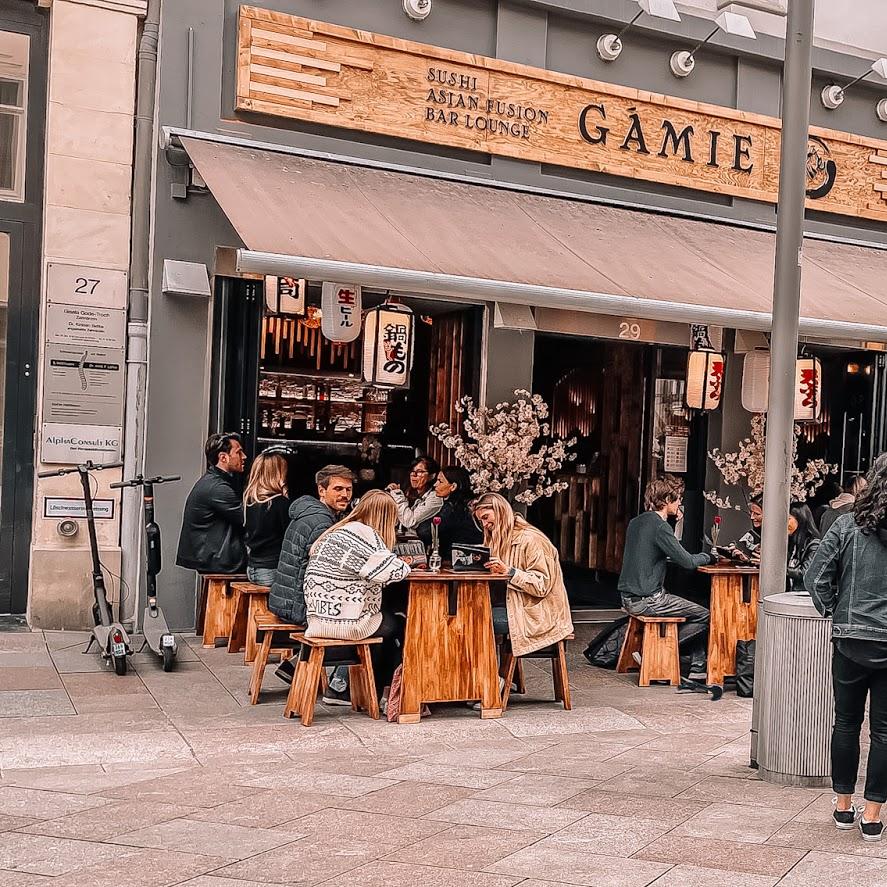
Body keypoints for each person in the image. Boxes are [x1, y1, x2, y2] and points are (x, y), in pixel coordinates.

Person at [805, 454, 887, 843]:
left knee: (846, 723)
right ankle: (872, 816)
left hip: (851, 638)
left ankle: (842, 807)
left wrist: (835, 611)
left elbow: (815, 577)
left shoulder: (846, 524)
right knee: (884, 731)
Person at [303, 490, 411, 699]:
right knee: (402, 626)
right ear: (386, 517)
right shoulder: (365, 535)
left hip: (318, 620)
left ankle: (353, 690)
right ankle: (392, 695)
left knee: (387, 626)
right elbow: (393, 572)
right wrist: (408, 562)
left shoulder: (341, 531)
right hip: (346, 624)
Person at [270, 465, 354, 701]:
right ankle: (340, 687)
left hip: (286, 597)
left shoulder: (309, 512)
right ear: (321, 490)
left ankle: (295, 664)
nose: (345, 495)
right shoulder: (322, 523)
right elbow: (325, 574)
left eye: (348, 489)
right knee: (357, 620)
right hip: (298, 604)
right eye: (338, 489)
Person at [617, 477, 714, 682]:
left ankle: (698, 666)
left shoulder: (636, 522)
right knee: (704, 615)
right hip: (648, 600)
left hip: (628, 598)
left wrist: (674, 523)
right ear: (668, 499)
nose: (680, 503)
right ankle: (653, 651)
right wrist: (709, 556)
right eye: (678, 499)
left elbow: (659, 546)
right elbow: (687, 561)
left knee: (687, 606)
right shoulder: (660, 528)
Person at [472, 493, 573, 657]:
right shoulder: (500, 538)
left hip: (537, 614)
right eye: (480, 521)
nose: (484, 524)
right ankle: (483, 671)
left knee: (475, 620)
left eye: (485, 517)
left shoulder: (532, 540)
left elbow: (542, 585)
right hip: (513, 604)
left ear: (500, 511)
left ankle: (487, 673)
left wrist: (510, 572)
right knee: (465, 613)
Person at [176, 432, 247, 575]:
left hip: (209, 556)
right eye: (239, 452)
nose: (244, 456)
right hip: (217, 560)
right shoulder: (218, 487)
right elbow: (246, 519)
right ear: (223, 457)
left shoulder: (213, 481)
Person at [243, 452, 291, 587]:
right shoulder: (280, 503)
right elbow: (288, 536)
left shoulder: (250, 501)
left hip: (252, 567)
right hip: (271, 568)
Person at [416, 466, 483, 560]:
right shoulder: (464, 504)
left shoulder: (453, 507)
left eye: (440, 481)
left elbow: (425, 532)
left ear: (453, 486)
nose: (435, 484)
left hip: (454, 560)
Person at [387, 455, 442, 531]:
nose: (413, 475)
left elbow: (409, 521)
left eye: (419, 471)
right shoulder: (408, 491)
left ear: (432, 476)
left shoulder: (435, 498)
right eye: (412, 471)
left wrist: (398, 496)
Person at [787, 502, 820, 591]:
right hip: (792, 592)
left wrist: (779, 569)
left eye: (788, 519)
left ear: (800, 519)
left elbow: (805, 572)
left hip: (804, 594)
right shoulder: (791, 542)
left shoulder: (814, 544)